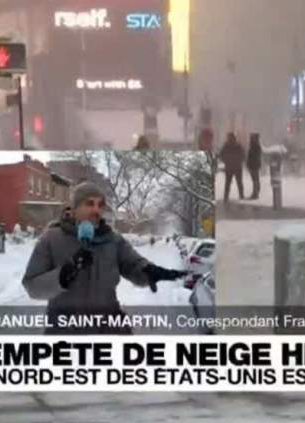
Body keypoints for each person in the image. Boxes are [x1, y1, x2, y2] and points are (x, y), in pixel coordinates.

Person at [22, 182, 187, 334]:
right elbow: (32, 286)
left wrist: (149, 271)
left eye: (100, 205)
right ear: (73, 208)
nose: (96, 210)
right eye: (89, 203)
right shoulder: (52, 238)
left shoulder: (113, 239)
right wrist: (64, 274)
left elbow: (133, 264)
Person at [218, 132, 246, 202]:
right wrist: (239, 161)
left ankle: (226, 196)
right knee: (239, 182)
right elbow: (243, 155)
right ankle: (241, 195)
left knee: (228, 183)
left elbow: (221, 155)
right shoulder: (238, 145)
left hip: (229, 167)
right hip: (237, 167)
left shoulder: (226, 146)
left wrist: (226, 161)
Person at [247, 133, 263, 200]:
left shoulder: (255, 146)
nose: (250, 139)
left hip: (254, 165)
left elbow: (253, 156)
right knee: (255, 179)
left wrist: (249, 163)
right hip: (254, 165)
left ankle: (255, 193)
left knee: (255, 180)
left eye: (251, 138)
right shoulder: (255, 146)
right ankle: (256, 192)